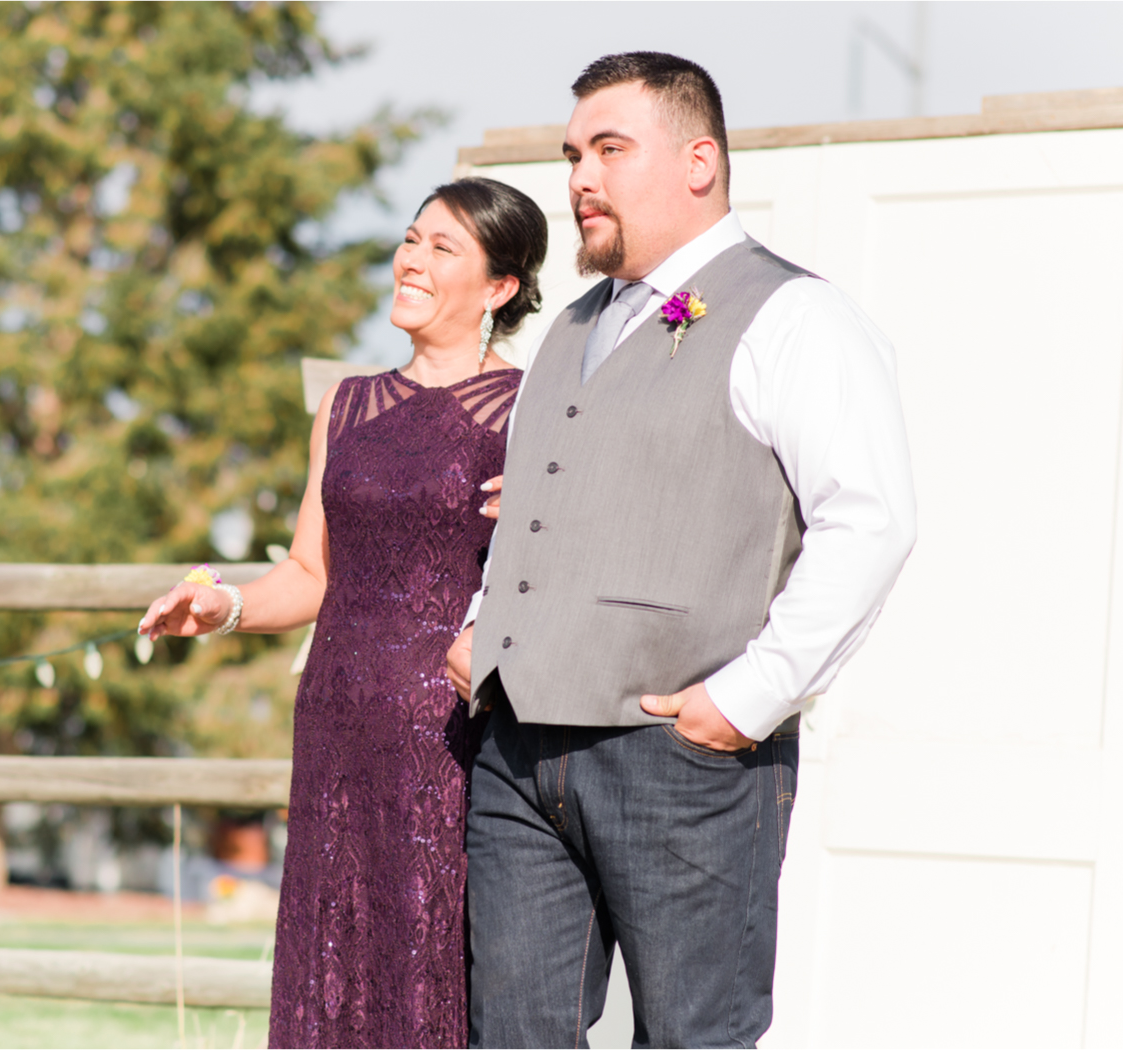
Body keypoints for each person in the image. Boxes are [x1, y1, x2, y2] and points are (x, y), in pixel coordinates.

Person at [445, 53, 918, 1048]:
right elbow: (536, 503)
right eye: (573, 153)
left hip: (681, 762)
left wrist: (747, 699)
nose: (579, 177)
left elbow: (870, 520)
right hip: (519, 756)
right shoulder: (565, 332)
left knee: (691, 1039)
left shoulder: (794, 315)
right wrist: (481, 624)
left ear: (699, 161)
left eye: (610, 149)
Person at [139, 177, 549, 1049]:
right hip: (334, 724)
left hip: (449, 735)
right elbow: (308, 571)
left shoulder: (530, 411)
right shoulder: (348, 405)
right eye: (410, 239)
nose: (412, 260)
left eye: (444, 248)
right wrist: (221, 607)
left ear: (500, 287)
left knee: (431, 960)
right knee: (331, 960)